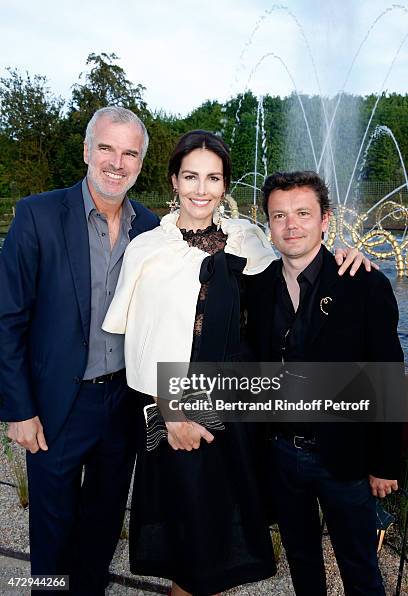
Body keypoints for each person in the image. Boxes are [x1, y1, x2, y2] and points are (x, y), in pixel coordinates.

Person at [103, 133, 372, 596]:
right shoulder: (147, 249)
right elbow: (138, 343)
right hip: (174, 410)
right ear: (174, 180)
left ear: (225, 185)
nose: (201, 189)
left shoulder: (248, 239)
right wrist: (170, 415)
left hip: (238, 415)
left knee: (226, 535)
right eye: (191, 176)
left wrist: (347, 256)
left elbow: (298, 267)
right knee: (187, 539)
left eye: (213, 177)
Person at [0, 106, 159, 594]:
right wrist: (19, 410)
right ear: (88, 150)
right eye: (107, 148)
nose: (117, 162)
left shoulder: (151, 229)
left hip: (122, 407)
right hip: (54, 407)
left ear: (139, 162)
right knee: (51, 532)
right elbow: (7, 320)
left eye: (129, 152)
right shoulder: (38, 214)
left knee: (103, 526)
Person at [246, 170, 404, 596]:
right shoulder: (258, 289)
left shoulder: (364, 283)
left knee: (360, 566)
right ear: (268, 223)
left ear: (325, 220)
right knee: (301, 562)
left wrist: (386, 463)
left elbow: (388, 373)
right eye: (279, 215)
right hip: (281, 454)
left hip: (345, 458)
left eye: (302, 213)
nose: (290, 225)